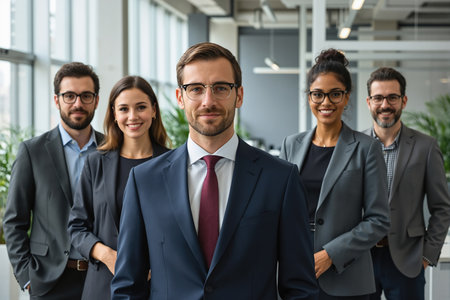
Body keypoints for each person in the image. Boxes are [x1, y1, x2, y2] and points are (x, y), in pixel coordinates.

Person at [111, 42, 318, 300]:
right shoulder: (144, 181)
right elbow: (128, 287)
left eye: (221, 88)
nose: (208, 101)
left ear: (239, 95)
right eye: (195, 89)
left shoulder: (280, 179)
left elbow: (300, 287)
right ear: (180, 98)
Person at [279, 49, 390, 300]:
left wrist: (330, 254)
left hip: (346, 278)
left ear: (347, 97)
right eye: (318, 94)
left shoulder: (367, 148)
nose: (325, 102)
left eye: (335, 94)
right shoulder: (291, 145)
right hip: (296, 271)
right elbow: (279, 208)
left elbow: (378, 220)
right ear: (309, 98)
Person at [2, 62, 103, 299]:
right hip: (50, 281)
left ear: (96, 101)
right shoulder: (33, 151)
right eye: (69, 96)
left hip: (100, 278)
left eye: (86, 96)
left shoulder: (111, 150)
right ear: (57, 100)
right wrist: (27, 277)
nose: (78, 103)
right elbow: (14, 221)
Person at [67, 76, 170, 299]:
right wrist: (108, 256)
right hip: (103, 285)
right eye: (124, 109)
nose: (132, 116)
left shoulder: (174, 164)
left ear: (153, 110)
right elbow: (76, 227)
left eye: (141, 107)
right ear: (114, 114)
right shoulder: (96, 162)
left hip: (160, 287)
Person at [363, 67, 450, 300]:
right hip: (361, 259)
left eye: (392, 97)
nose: (385, 105)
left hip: (407, 261)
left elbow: (442, 208)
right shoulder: (355, 146)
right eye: (378, 98)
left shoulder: (426, 147)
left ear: (404, 100)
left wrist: (427, 256)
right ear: (369, 102)